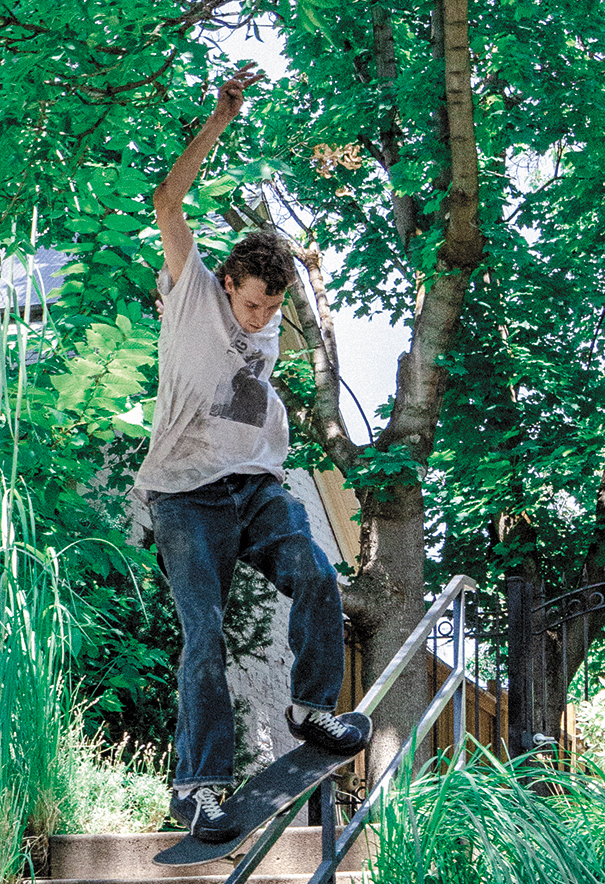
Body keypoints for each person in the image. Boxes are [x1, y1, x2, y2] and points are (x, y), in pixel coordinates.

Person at [134, 64, 370, 843]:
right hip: (186, 495)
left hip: (256, 484)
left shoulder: (269, 312)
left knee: (316, 574)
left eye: (272, 308)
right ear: (224, 282)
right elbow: (168, 201)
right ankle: (198, 785)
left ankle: (309, 706)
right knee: (204, 636)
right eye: (252, 303)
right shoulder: (194, 288)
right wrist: (219, 122)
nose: (262, 318)